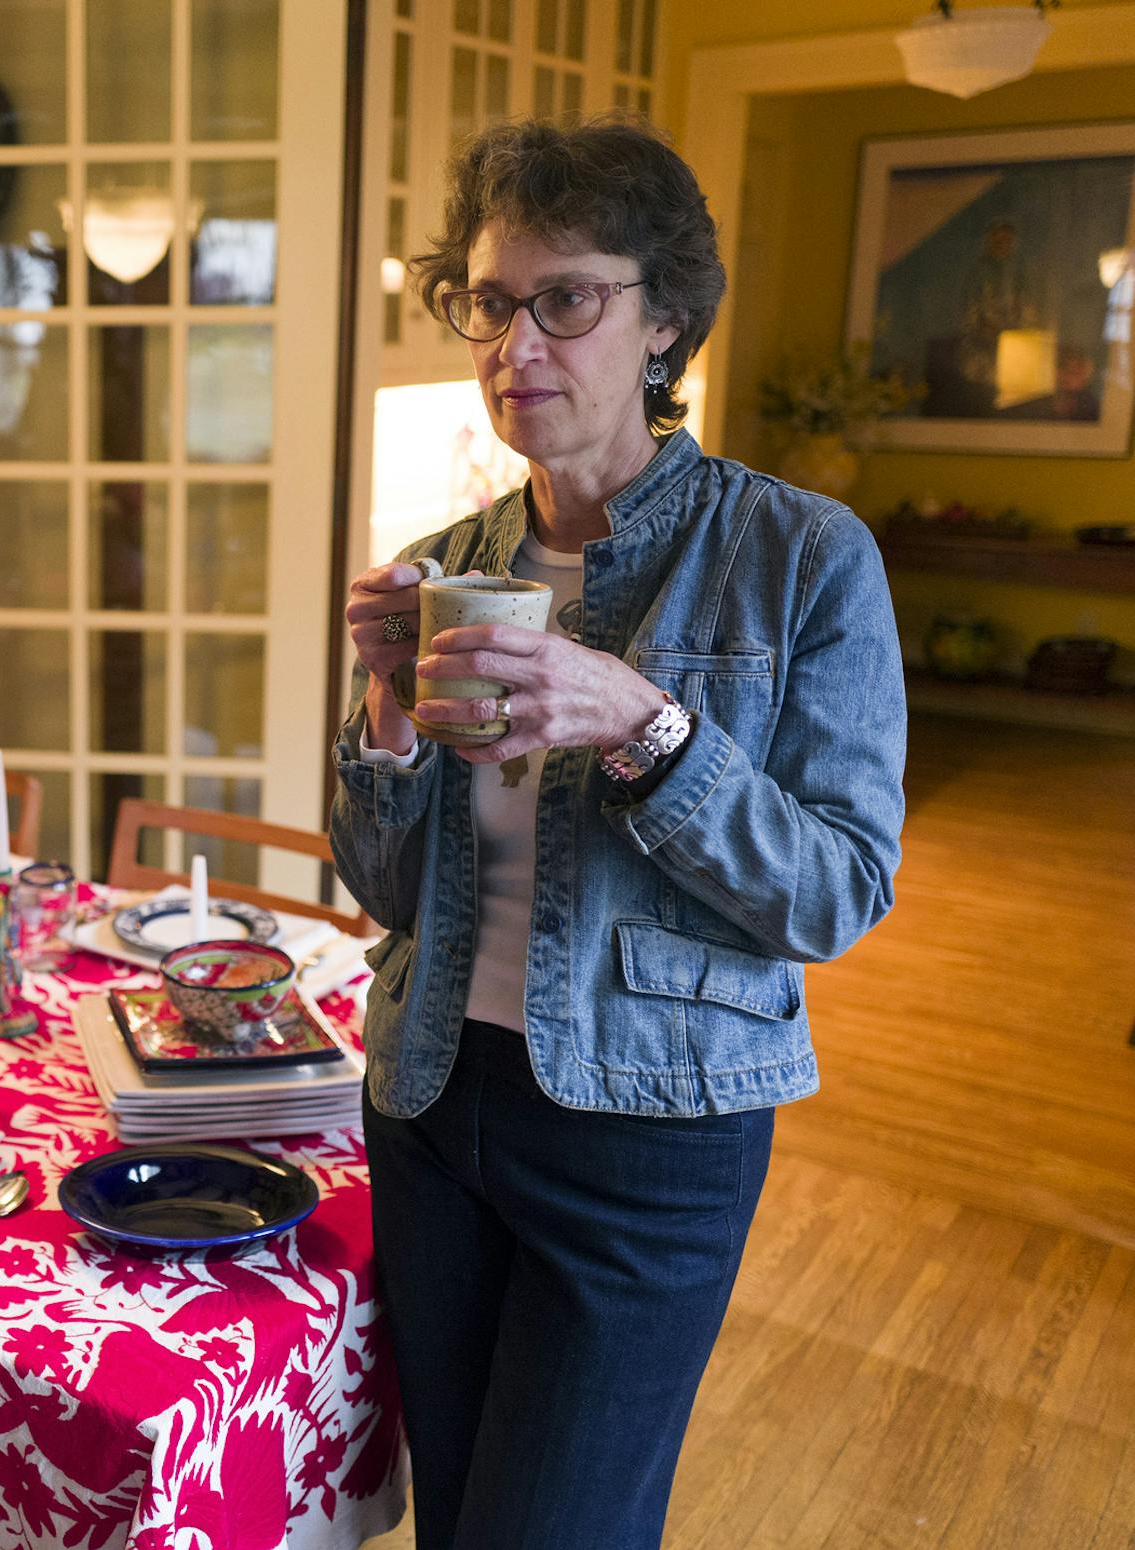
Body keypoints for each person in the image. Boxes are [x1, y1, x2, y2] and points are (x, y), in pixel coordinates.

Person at [332, 117, 906, 1549]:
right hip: (428, 1098)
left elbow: (838, 889)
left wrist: (646, 726)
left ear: (663, 322)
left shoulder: (800, 556)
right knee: (457, 1514)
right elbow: (390, 889)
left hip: (653, 1137)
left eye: (565, 299)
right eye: (487, 302)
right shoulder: (457, 560)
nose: (514, 343)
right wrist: (389, 716)